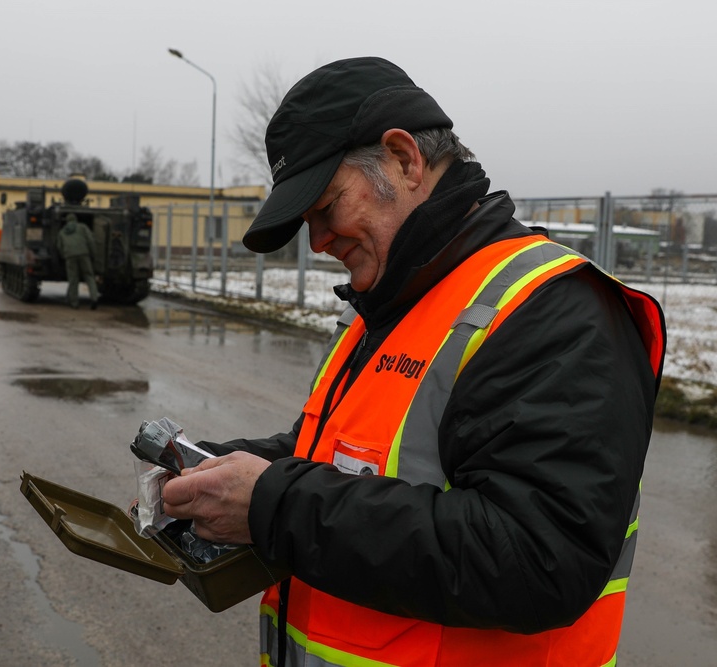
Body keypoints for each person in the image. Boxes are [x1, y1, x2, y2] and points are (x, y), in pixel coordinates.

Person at [161, 57, 666, 667]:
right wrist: (225, 471)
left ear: (404, 159)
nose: (317, 241)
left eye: (326, 207)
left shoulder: (552, 309)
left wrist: (273, 503)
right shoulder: (395, 303)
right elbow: (345, 460)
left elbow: (540, 558)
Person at [56, 213, 99, 310]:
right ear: (75, 220)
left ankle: (74, 303)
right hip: (84, 254)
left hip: (70, 256)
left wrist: (65, 256)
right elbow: (90, 240)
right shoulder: (83, 227)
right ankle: (94, 298)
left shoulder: (62, 232)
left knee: (73, 279)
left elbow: (59, 247)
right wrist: (93, 254)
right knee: (89, 276)